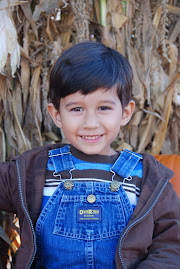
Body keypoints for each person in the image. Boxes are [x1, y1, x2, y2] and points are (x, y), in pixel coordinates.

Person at [0, 41, 179, 269]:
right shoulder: (32, 171)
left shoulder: (148, 179)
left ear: (125, 113)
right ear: (56, 115)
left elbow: (171, 244)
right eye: (76, 109)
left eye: (104, 108)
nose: (90, 123)